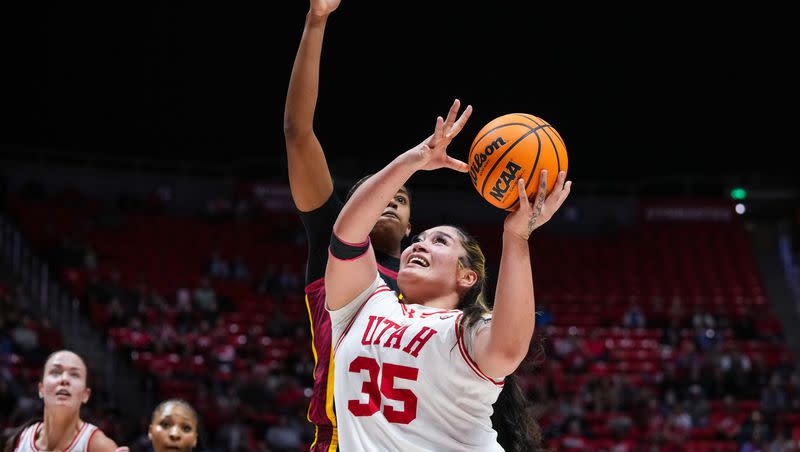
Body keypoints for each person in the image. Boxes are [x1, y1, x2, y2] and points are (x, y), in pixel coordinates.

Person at [324, 106, 571, 450]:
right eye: (417, 240)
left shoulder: (470, 328)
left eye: (439, 241)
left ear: (467, 276)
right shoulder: (363, 306)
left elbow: (509, 349)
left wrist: (516, 238)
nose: (419, 245)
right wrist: (413, 160)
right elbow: (347, 235)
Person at [283, 0, 421, 449]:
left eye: (399, 199)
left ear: (410, 225)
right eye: (377, 194)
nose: (388, 202)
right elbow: (297, 132)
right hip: (340, 438)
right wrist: (316, 19)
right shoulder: (331, 242)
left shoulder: (433, 281)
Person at [3, 350, 129, 452]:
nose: (64, 379)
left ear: (85, 395)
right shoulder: (20, 440)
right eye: (55, 372)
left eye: (74, 375)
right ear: (41, 389)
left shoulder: (98, 445)